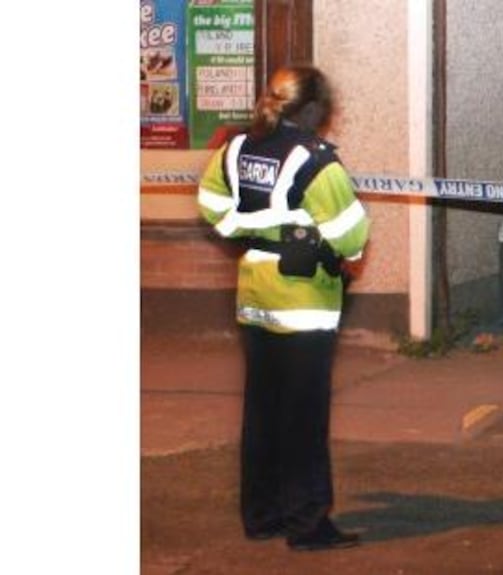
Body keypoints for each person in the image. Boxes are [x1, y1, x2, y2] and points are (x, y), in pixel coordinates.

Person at [196, 65, 370, 551]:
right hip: (304, 303)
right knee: (304, 418)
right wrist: (329, 248)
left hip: (255, 296)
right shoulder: (317, 162)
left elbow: (210, 202)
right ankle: (308, 524)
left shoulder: (236, 147)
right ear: (314, 110)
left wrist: (248, 232)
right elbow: (352, 237)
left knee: (263, 410)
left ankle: (261, 515)